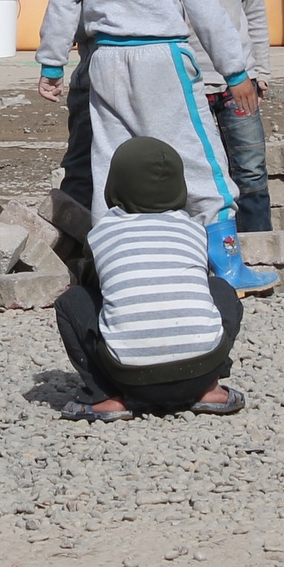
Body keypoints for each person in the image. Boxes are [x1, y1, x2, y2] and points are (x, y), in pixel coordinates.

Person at [35, 0, 270, 294]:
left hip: (103, 62)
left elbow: (64, 2)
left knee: (109, 163)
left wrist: (51, 62)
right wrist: (237, 71)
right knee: (202, 159)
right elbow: (206, 11)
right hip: (161, 59)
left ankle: (112, 274)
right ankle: (227, 266)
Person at [52, 136, 247, 420]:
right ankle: (210, 389)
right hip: (200, 370)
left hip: (130, 379)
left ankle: (106, 397)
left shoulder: (103, 233)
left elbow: (93, 287)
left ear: (115, 184)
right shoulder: (192, 229)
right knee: (220, 289)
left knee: (71, 302)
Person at [179, 0, 272, 234]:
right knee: (199, 173)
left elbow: (255, 16)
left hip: (238, 84)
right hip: (188, 82)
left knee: (250, 169)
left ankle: (260, 246)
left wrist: (261, 71)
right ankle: (209, 249)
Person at [51, 0, 124, 213]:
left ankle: (75, 243)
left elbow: (63, 6)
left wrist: (51, 62)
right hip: (138, 74)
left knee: (81, 161)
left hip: (92, 74)